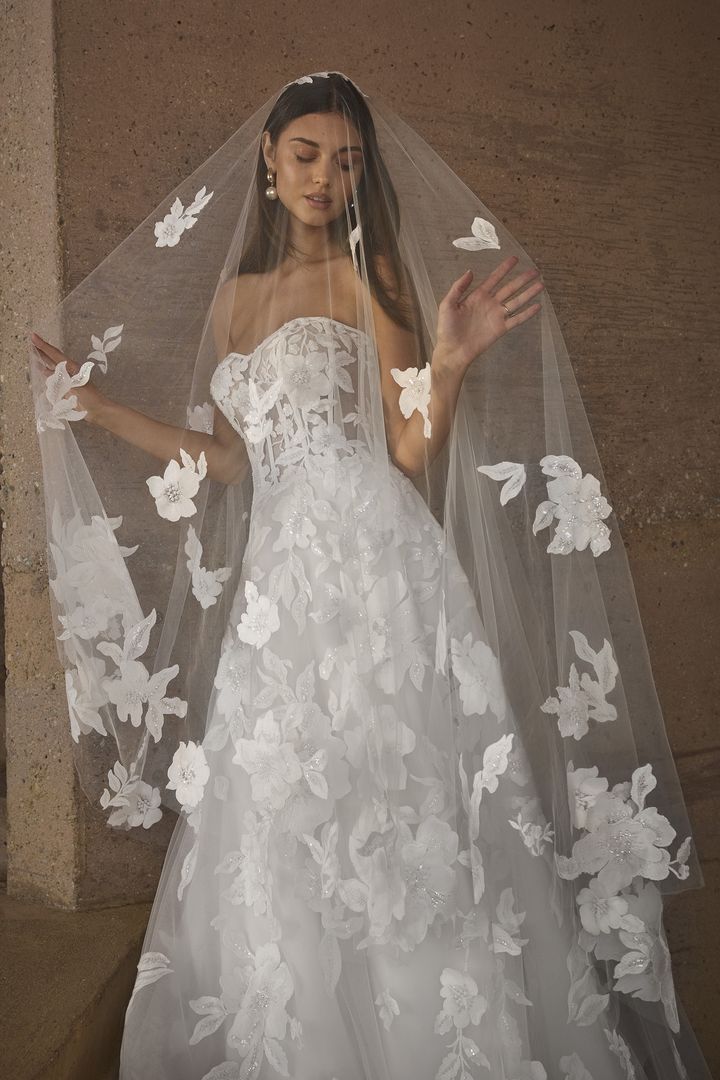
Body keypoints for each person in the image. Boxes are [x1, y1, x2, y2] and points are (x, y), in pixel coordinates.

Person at [28, 72, 710, 1079]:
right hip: (277, 583)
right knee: (287, 804)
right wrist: (97, 412)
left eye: (345, 161)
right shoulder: (231, 303)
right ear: (268, 157)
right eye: (305, 153)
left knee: (400, 799)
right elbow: (225, 460)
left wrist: (452, 360)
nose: (324, 177)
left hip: (378, 558)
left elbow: (406, 453)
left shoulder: (368, 272)